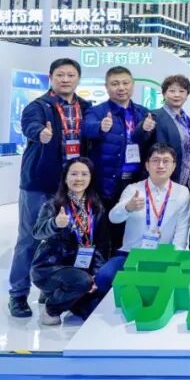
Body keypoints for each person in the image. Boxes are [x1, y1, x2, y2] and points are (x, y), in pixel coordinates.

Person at [9, 58, 92, 318]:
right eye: (60, 75)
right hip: (40, 183)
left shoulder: (86, 107)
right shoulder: (38, 106)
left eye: (70, 75)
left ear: (78, 78)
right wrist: (40, 134)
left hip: (72, 187)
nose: (65, 79)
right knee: (30, 239)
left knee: (65, 238)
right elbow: (29, 126)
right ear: (51, 77)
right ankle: (18, 294)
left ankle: (50, 286)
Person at [96, 143, 190, 292]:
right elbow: (113, 218)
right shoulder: (133, 189)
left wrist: (175, 259)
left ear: (174, 166)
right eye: (155, 160)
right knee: (104, 277)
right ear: (147, 165)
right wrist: (127, 207)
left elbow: (182, 229)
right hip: (131, 254)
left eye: (166, 161)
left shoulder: (182, 192)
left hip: (163, 255)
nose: (161, 165)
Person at [30, 157, 111, 326]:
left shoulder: (97, 207)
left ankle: (62, 296)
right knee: (81, 282)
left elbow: (101, 245)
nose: (79, 178)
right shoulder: (53, 205)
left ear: (91, 178)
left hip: (81, 270)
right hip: (51, 267)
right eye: (73, 174)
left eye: (84, 174)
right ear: (65, 178)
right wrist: (54, 223)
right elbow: (37, 232)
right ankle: (51, 310)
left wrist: (96, 274)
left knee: (92, 309)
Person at [82, 66, 151, 248]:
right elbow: (87, 128)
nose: (121, 87)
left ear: (132, 85)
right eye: (115, 83)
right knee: (105, 229)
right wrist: (100, 127)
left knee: (132, 227)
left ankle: (125, 261)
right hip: (107, 180)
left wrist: (148, 130)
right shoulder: (97, 111)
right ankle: (105, 263)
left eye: (125, 83)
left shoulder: (142, 112)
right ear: (106, 87)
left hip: (136, 180)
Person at [146, 75, 190, 189]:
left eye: (181, 91)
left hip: (186, 177)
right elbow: (139, 137)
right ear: (164, 94)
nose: (177, 95)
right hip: (164, 176)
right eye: (172, 91)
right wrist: (144, 128)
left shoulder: (186, 119)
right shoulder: (155, 115)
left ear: (187, 95)